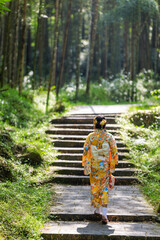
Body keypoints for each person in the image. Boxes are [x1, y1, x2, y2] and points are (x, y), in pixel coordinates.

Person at [82, 115, 118, 224]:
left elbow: (85, 151)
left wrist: (87, 164)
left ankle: (97, 210)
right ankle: (104, 215)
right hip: (105, 167)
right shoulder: (109, 137)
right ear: (104, 124)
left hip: (94, 167)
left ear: (94, 124)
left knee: (95, 187)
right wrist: (112, 165)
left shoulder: (90, 137)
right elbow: (115, 152)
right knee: (104, 189)